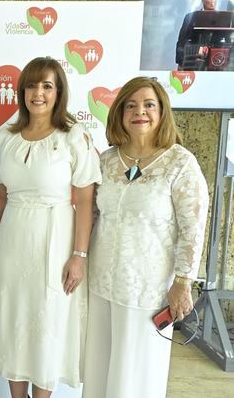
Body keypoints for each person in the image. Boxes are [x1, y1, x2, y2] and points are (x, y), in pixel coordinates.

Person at [0, 57, 101, 398]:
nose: (38, 93)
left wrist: (79, 255)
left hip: (56, 238)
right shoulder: (6, 136)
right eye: (32, 85)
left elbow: (86, 201)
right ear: (22, 92)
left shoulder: (74, 136)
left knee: (48, 320)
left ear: (58, 91)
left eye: (47, 85)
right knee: (13, 319)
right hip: (13, 237)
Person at [82, 77, 209, 398]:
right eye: (131, 105)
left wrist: (183, 281)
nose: (140, 112)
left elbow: (192, 228)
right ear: (120, 113)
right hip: (100, 283)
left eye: (149, 105)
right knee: (98, 371)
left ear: (162, 111)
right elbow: (91, 216)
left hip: (146, 289)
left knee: (134, 376)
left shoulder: (180, 163)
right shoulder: (107, 160)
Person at [175, 0, 217, 67]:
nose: (213, 1)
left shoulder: (223, 18)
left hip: (216, 62)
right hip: (193, 61)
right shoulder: (191, 17)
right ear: (203, 0)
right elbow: (182, 41)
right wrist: (181, 62)